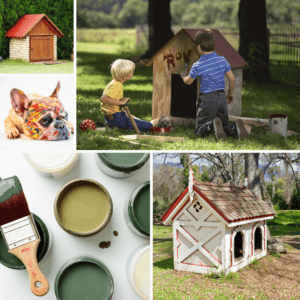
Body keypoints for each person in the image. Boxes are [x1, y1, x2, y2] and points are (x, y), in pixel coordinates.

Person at [180, 29, 248, 140]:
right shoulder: (222, 60)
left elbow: (189, 81)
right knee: (224, 125)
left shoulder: (198, 65)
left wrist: (183, 75)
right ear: (214, 45)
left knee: (199, 129)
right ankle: (235, 128)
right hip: (222, 98)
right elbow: (232, 79)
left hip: (207, 99)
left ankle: (211, 125)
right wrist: (230, 94)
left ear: (198, 47)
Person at [100, 59, 157, 131]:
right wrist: (121, 103)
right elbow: (103, 99)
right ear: (125, 76)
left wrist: (122, 110)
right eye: (131, 72)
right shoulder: (117, 85)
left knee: (138, 122)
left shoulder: (114, 82)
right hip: (117, 118)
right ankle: (115, 126)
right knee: (149, 126)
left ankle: (112, 126)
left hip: (114, 116)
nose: (133, 72)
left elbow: (112, 102)